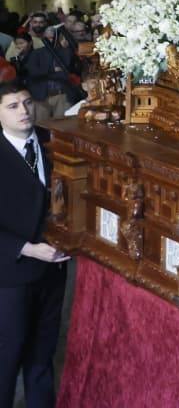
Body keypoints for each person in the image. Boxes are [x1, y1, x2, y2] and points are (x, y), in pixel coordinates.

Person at [0, 81, 71, 408]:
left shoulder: (52, 142)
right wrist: (28, 249)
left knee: (42, 357)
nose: (24, 111)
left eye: (27, 103)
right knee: (8, 356)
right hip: (11, 275)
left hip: (54, 271)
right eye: (12, 106)